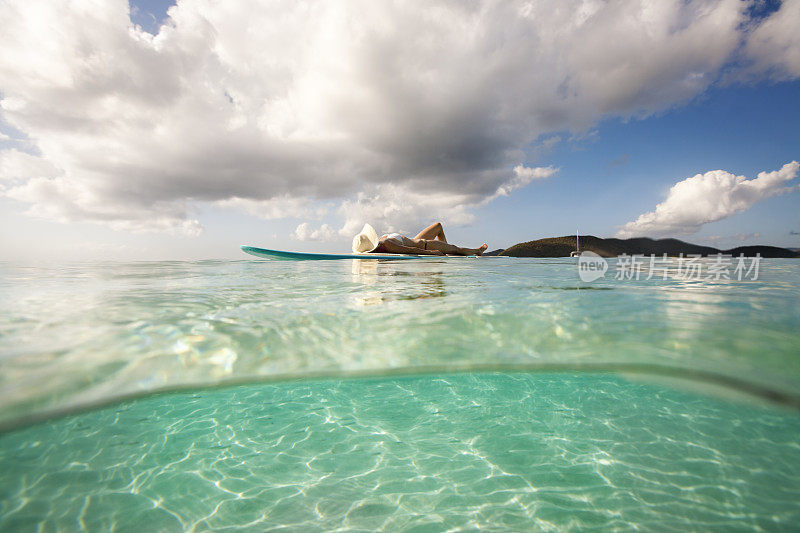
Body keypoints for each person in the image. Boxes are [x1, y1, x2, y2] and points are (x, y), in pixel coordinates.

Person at [352, 222, 488, 256]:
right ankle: (478, 251)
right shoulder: (387, 243)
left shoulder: (383, 241)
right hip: (424, 245)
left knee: (438, 226)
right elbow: (410, 250)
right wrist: (433, 253)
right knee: (455, 249)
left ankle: (447, 251)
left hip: (416, 240)